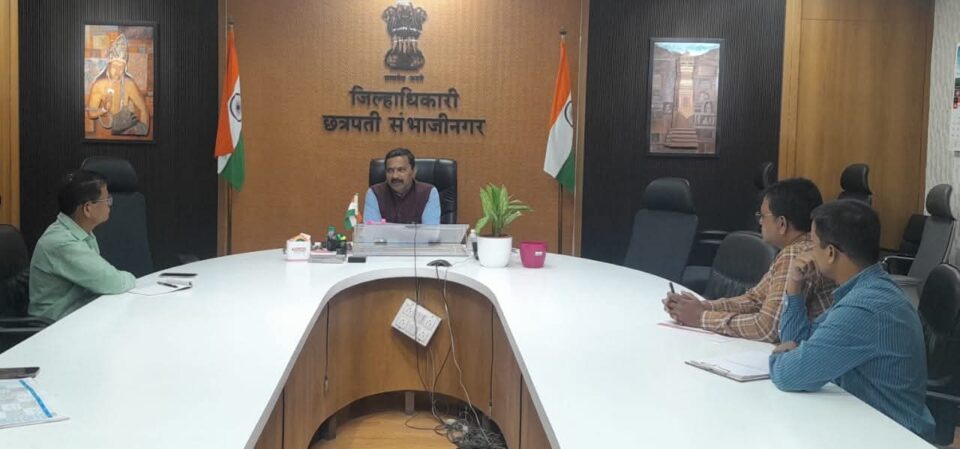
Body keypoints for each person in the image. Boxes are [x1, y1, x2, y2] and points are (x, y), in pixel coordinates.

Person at [770, 200, 935, 440]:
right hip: (867, 424)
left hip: (891, 437)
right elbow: (799, 341)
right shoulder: (868, 289)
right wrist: (794, 285)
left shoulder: (864, 308)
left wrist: (778, 356)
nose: (808, 254)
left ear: (830, 253)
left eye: (812, 245)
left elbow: (789, 375)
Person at [663, 178, 834, 342]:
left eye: (763, 216)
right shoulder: (799, 248)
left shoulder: (796, 254)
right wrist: (702, 306)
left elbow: (767, 329)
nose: (759, 222)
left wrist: (701, 317)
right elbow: (755, 299)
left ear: (782, 224)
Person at [29, 170, 136, 321]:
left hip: (78, 313)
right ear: (88, 208)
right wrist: (132, 279)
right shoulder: (62, 242)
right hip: (54, 325)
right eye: (107, 200)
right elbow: (111, 282)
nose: (110, 204)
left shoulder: (81, 231)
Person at [86, 34, 150, 136]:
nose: (118, 71)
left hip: (129, 129)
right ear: (109, 65)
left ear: (125, 68)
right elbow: (91, 114)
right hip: (107, 132)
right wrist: (103, 109)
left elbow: (143, 110)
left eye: (121, 67)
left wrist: (142, 132)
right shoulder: (99, 86)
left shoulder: (129, 84)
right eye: (115, 66)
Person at [363, 148, 441, 224]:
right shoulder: (375, 193)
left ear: (413, 172)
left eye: (401, 170)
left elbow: (430, 230)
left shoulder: (428, 193)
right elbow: (372, 230)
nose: (395, 176)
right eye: (390, 170)